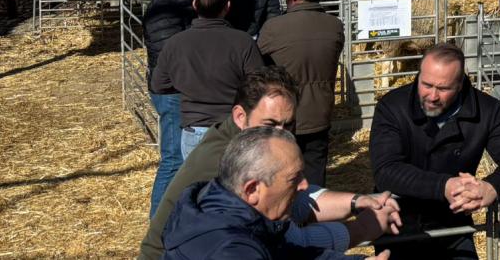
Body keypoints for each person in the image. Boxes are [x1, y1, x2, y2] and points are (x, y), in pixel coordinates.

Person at [142, 67, 403, 260]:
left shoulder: (248, 143)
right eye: (271, 124)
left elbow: (292, 196)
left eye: (288, 124)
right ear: (240, 116)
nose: (284, 134)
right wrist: (359, 230)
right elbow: (285, 240)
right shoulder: (229, 161)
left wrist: (356, 201)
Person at [369, 43, 500, 258]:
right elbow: (386, 169)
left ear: (460, 85)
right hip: (399, 219)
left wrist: (492, 187)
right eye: (426, 84)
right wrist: (445, 186)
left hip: (452, 221)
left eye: (443, 88)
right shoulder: (393, 106)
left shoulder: (486, 110)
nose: (433, 95)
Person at [161, 127, 390, 260]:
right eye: (294, 179)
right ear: (252, 190)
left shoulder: (222, 204)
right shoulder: (231, 250)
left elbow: (287, 255)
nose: (304, 185)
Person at [151, 0, 265, 156]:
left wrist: (187, 83)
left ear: (195, 5)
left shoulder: (176, 43)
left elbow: (158, 84)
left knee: (197, 183)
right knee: (234, 182)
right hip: (233, 127)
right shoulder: (243, 42)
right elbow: (259, 85)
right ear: (227, 6)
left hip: (194, 129)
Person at [143, 0, 216, 216]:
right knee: (173, 157)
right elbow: (169, 54)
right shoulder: (167, 6)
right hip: (172, 90)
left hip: (183, 87)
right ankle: (159, 223)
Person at [257, 0, 344, 186]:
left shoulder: (274, 27)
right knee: (315, 169)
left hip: (284, 114)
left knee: (282, 173)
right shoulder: (335, 26)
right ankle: (314, 215)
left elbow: (258, 61)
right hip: (320, 111)